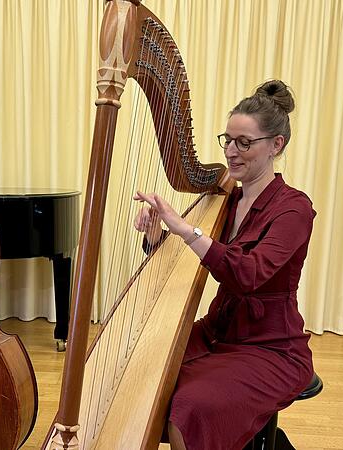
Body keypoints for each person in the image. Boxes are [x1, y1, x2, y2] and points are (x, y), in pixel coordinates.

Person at [134, 80, 314, 450]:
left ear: (276, 145)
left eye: (244, 142)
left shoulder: (293, 208)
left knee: (190, 406)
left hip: (269, 345)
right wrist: (157, 238)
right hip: (218, 331)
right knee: (139, 371)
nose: (231, 151)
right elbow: (194, 262)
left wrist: (186, 229)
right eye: (228, 139)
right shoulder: (225, 201)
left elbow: (247, 275)